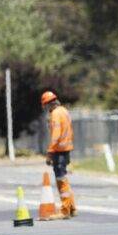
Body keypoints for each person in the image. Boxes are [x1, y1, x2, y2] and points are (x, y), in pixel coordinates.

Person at [42, 90, 77, 219]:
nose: (46, 109)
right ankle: (71, 207)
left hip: (59, 151)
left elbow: (55, 135)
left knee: (61, 180)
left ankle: (65, 210)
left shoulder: (56, 114)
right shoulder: (64, 111)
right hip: (66, 149)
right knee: (64, 179)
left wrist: (50, 152)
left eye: (45, 106)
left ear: (49, 104)